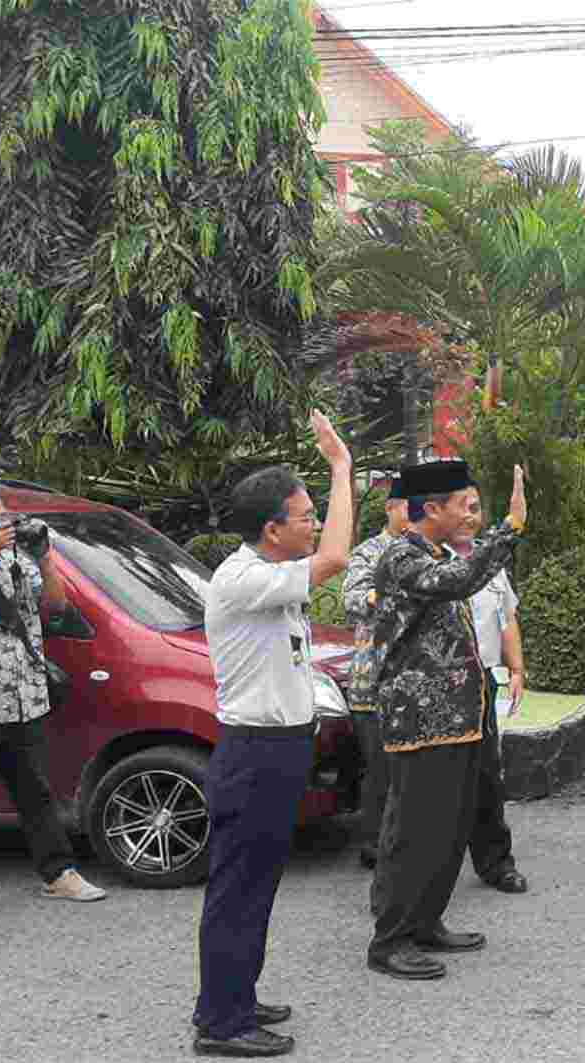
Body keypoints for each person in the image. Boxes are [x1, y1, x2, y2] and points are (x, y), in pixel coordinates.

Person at [190, 411, 355, 1058]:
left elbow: (324, 552)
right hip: (254, 752)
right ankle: (221, 1022)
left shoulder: (272, 573)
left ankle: (235, 995)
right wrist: (340, 465)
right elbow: (337, 555)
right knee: (238, 889)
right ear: (272, 528)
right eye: (305, 513)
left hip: (278, 749)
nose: (314, 523)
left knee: (257, 884)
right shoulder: (244, 577)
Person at [365, 460, 525, 981]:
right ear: (430, 509)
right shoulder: (401, 559)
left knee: (448, 828)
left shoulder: (434, 553)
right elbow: (460, 581)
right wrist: (511, 530)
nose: (470, 516)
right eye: (463, 505)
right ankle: (390, 939)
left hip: (458, 717)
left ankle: (426, 922)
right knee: (413, 831)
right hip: (420, 720)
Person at [0, 476, 107, 917]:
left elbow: (56, 605)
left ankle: (59, 874)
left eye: (4, 520)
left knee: (35, 790)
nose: (3, 528)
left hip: (23, 696)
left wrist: (46, 556)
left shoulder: (20, 559)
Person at [452, 488, 529, 894]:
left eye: (476, 508)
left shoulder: (491, 563)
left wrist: (516, 668)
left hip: (482, 681)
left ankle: (496, 863)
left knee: (487, 778)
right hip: (442, 685)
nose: (469, 515)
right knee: (438, 786)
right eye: (460, 507)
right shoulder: (425, 562)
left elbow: (506, 617)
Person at [341, 479, 410, 874]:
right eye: (407, 508)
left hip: (413, 682)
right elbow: (353, 602)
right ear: (391, 508)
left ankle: (404, 844)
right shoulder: (369, 552)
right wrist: (386, 593)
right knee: (380, 771)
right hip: (373, 682)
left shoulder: (428, 552)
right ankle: (374, 845)